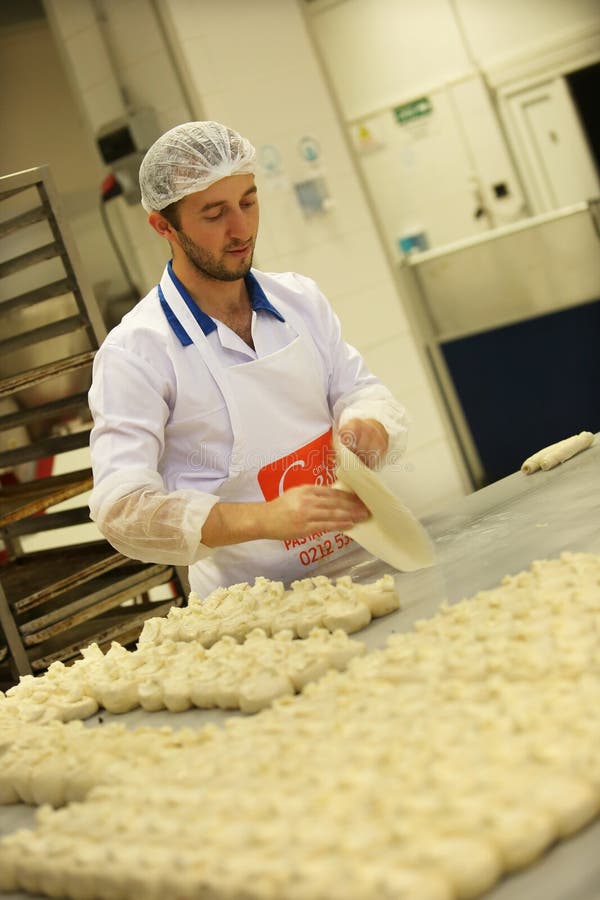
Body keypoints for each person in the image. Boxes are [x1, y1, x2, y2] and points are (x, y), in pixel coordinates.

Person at [88, 121, 409, 598]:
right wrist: (264, 517)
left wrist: (367, 427)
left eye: (248, 202)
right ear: (163, 226)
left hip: (367, 564)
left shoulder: (299, 299)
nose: (241, 229)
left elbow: (360, 390)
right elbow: (123, 509)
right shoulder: (138, 352)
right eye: (214, 213)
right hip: (253, 606)